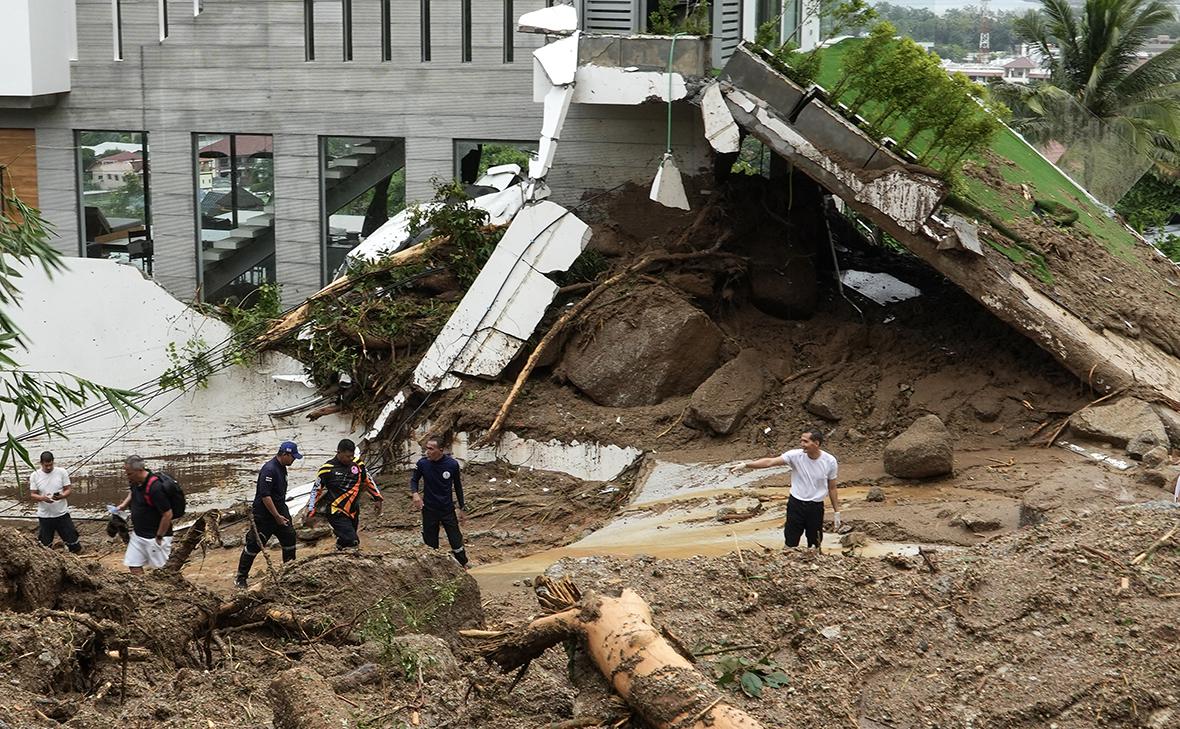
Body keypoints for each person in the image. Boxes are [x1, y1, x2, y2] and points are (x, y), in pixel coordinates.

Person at [733, 428, 840, 549]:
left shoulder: (830, 461)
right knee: (791, 540)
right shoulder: (795, 456)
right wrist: (746, 465)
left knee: (815, 542)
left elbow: (832, 488)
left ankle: (814, 563)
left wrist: (837, 512)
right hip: (796, 504)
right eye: (801, 441)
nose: (802, 445)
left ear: (816, 443)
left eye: (805, 441)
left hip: (815, 506)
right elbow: (770, 462)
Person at [235, 441, 303, 588]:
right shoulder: (269, 470)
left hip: (280, 510)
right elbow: (265, 496)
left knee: (289, 537)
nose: (293, 460)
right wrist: (276, 516)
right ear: (285, 454)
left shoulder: (282, 468)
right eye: (292, 457)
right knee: (254, 545)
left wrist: (281, 514)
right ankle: (241, 578)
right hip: (265, 515)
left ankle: (289, 572)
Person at [305, 439, 383, 549]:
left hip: (353, 510)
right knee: (353, 540)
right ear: (339, 452)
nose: (350, 459)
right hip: (336, 510)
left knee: (347, 540)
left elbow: (368, 480)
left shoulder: (358, 464)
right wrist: (311, 508)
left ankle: (339, 549)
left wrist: (377, 498)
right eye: (347, 456)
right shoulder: (327, 469)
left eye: (352, 456)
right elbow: (316, 490)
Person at [411, 436, 469, 567]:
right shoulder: (422, 464)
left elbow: (458, 487)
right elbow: (414, 480)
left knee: (455, 539)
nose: (428, 452)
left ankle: (463, 564)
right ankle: (434, 568)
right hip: (429, 508)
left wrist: (462, 508)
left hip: (447, 509)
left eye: (431, 449)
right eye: (427, 449)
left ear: (441, 450)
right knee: (430, 542)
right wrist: (415, 494)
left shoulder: (452, 465)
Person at [115, 455, 173, 573]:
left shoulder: (155, 488)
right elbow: (133, 493)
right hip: (139, 534)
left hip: (155, 537)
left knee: (163, 572)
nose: (127, 476)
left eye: (129, 473)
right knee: (133, 564)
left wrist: (159, 536)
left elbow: (167, 514)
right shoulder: (135, 482)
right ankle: (142, 589)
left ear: (140, 470)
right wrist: (123, 506)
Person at [29, 451, 82, 554]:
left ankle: (73, 552)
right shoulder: (35, 475)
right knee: (45, 546)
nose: (48, 467)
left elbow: (68, 489)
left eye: (50, 465)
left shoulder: (61, 472)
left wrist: (62, 496)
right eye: (46, 465)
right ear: (41, 463)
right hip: (45, 515)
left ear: (53, 462)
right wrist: (43, 498)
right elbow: (33, 494)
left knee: (74, 543)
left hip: (61, 513)